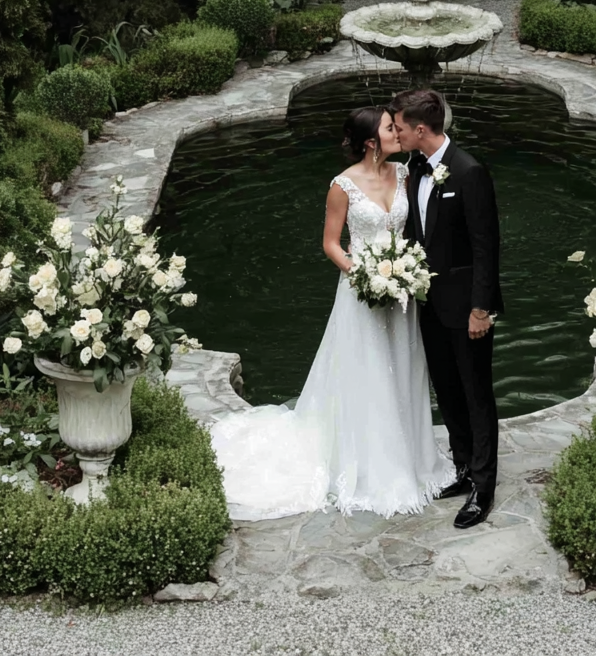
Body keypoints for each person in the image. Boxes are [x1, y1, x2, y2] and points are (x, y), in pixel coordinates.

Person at [210, 105, 454, 521]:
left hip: (403, 293)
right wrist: (363, 275)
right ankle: (372, 464)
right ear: (371, 142)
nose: (398, 132)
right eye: (390, 128)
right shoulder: (342, 186)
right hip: (362, 291)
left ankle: (410, 454)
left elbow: (416, 230)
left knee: (404, 367)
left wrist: (405, 273)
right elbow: (331, 243)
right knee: (367, 370)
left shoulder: (406, 174)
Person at [390, 88, 503, 529]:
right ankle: (461, 468)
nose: (395, 133)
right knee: (448, 391)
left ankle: (484, 486)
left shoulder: (469, 171)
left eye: (399, 127)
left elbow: (485, 246)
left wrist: (481, 309)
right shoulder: (415, 169)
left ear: (421, 129)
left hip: (467, 309)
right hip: (429, 305)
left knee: (476, 395)